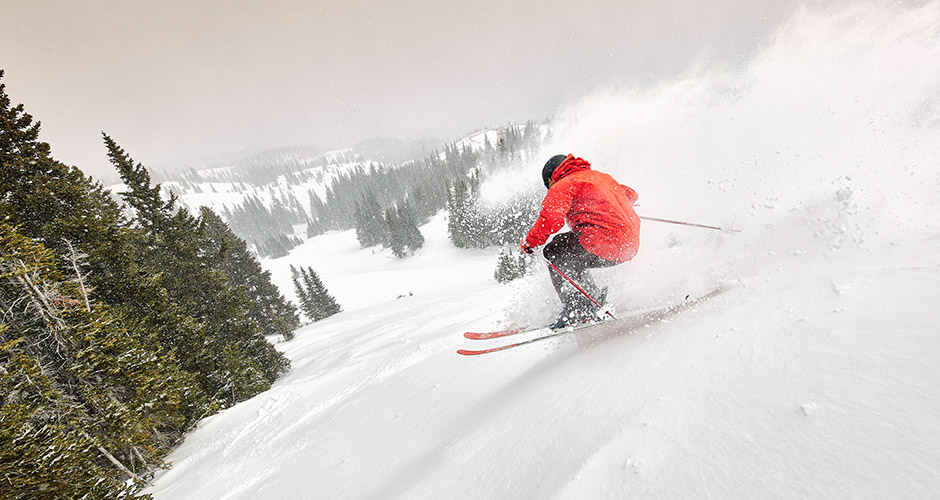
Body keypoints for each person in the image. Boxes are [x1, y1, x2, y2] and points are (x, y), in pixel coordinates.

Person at [520, 154, 640, 328]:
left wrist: (531, 242)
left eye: (549, 186)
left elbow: (551, 218)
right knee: (572, 255)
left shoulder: (564, 184)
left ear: (551, 178)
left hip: (604, 242)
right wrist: (612, 205)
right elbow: (631, 194)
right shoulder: (601, 178)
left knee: (555, 250)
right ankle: (590, 299)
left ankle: (577, 307)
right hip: (629, 245)